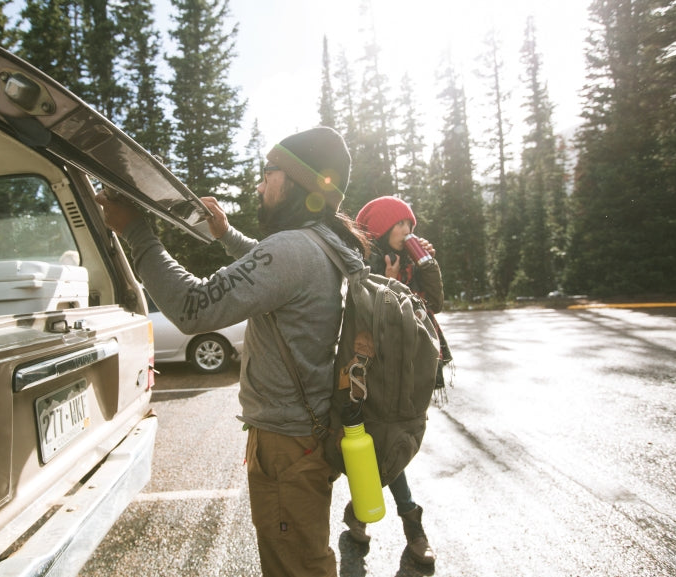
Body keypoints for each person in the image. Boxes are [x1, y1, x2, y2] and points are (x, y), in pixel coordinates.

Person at [95, 127, 367, 577]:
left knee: (296, 566)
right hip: (308, 438)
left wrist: (137, 233)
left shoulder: (292, 249)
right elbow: (275, 264)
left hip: (286, 448)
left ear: (297, 181)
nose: (259, 185)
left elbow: (191, 307)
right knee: (305, 556)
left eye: (268, 173)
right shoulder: (324, 242)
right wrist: (226, 234)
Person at [343, 195, 445, 567]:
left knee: (396, 440)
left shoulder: (415, 263)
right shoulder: (365, 264)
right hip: (376, 366)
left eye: (410, 226)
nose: (407, 231)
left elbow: (435, 303)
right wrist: (386, 284)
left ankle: (359, 512)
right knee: (390, 441)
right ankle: (412, 527)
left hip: (415, 364)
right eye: (400, 225)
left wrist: (426, 264)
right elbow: (359, 314)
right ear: (382, 229)